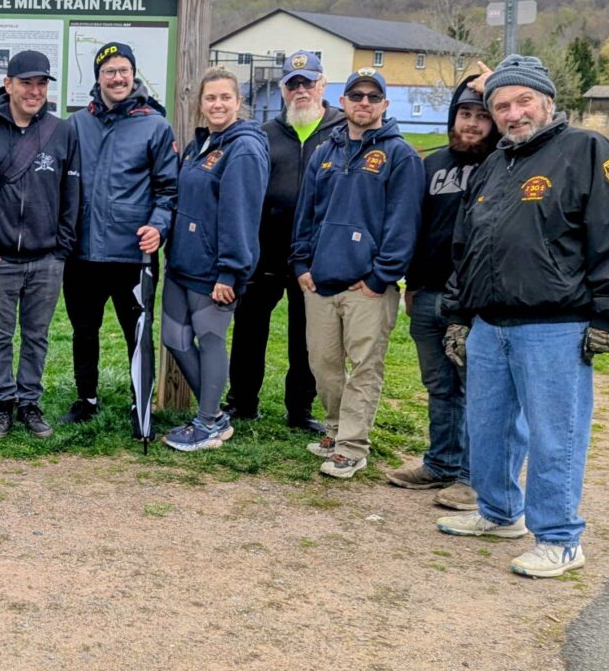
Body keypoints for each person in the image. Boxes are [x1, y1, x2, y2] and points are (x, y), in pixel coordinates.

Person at [437, 54, 609, 578]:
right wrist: (459, 314)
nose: (513, 114)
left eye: (523, 101)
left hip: (556, 326)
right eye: (501, 106)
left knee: (556, 436)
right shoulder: (494, 165)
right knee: (487, 428)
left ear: (547, 102)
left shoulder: (585, 150)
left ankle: (559, 538)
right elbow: (466, 248)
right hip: (490, 326)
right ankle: (499, 512)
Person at [290, 67, 423, 479]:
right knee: (323, 364)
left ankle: (352, 447)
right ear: (343, 101)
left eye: (373, 96)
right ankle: (334, 431)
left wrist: (382, 276)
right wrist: (301, 263)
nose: (364, 102)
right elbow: (306, 213)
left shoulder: (400, 155)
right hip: (320, 282)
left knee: (364, 366)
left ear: (385, 104)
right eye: (357, 95)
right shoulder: (324, 152)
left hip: (368, 287)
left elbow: (403, 223)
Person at [387, 70, 497, 509]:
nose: (471, 124)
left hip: (473, 302)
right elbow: (417, 228)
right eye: (464, 115)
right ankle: (441, 463)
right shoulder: (431, 165)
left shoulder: (501, 165)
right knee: (439, 386)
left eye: (481, 116)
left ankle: (474, 478)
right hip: (428, 294)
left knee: (476, 389)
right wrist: (411, 284)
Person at [0, 50, 81, 440]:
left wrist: (61, 248)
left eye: (41, 83)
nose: (34, 91)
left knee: (36, 336)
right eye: (26, 83)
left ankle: (29, 402)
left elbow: (72, 194)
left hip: (47, 259)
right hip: (0, 259)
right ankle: (2, 403)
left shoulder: (62, 132)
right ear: (8, 84)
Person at [223, 50, 343, 435]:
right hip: (266, 253)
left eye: (308, 83)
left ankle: (300, 409)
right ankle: (242, 402)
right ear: (282, 90)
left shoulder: (341, 133)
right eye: (293, 85)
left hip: (315, 257)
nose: (301, 91)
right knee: (249, 331)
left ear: (322, 85)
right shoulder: (265, 135)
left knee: (305, 336)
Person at [61, 42, 177, 427]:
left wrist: (158, 226)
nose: (117, 78)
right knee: (84, 330)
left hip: (132, 253)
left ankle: (139, 402)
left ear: (133, 74)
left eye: (123, 70)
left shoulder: (155, 126)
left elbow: (168, 189)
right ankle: (86, 398)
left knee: (137, 333)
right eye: (109, 71)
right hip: (82, 253)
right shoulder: (76, 124)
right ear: (98, 78)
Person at [160, 68, 269, 451]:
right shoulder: (201, 145)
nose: (217, 104)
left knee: (209, 340)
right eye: (210, 98)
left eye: (225, 97)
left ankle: (207, 422)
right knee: (174, 337)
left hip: (215, 272)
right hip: (182, 264)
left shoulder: (244, 148)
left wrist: (231, 271)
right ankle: (216, 415)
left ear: (238, 102)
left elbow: (240, 214)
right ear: (200, 104)